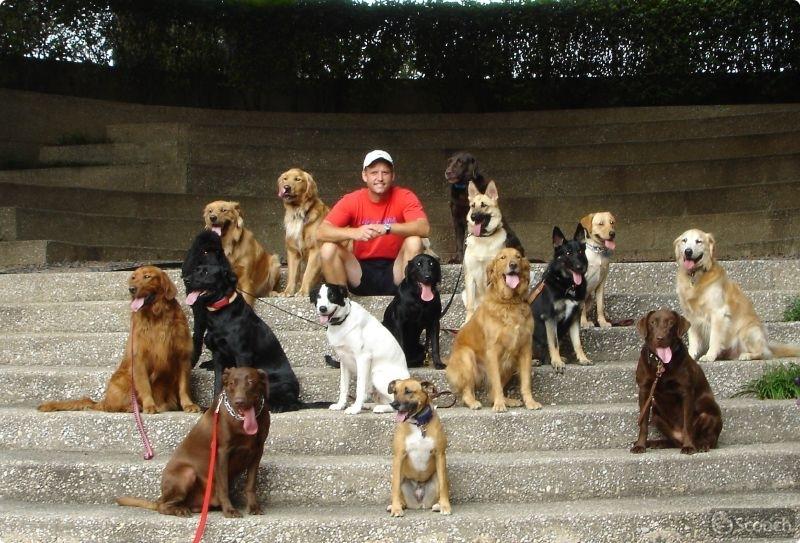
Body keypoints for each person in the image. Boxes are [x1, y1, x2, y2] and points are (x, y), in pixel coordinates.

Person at [318, 150, 430, 296]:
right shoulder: (352, 199)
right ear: (365, 175)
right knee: (328, 248)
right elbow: (321, 232)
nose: (380, 178)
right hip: (360, 271)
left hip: (396, 269)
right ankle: (340, 304)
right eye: (374, 172)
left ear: (393, 175)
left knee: (414, 241)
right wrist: (354, 232)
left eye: (385, 172)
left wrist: (388, 228)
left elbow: (424, 228)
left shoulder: (404, 196)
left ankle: (409, 298)